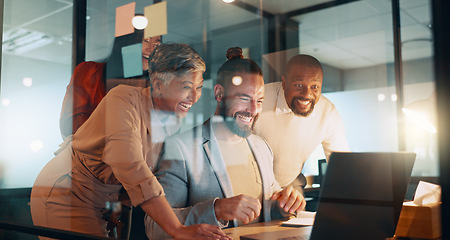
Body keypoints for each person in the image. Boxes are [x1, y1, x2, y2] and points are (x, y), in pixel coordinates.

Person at [30, 43, 229, 240]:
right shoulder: (122, 99)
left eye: (199, 87)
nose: (194, 97)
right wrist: (177, 228)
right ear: (158, 85)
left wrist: (120, 214)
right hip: (67, 192)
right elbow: (131, 167)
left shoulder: (171, 120)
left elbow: (136, 178)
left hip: (103, 202)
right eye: (186, 87)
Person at [145, 47, 306, 239]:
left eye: (260, 100)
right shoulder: (181, 148)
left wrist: (286, 204)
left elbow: (267, 210)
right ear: (219, 93)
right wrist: (216, 210)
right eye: (244, 98)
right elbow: (155, 228)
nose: (253, 109)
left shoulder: (262, 146)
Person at [253, 54, 350, 189]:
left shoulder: (328, 113)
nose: (306, 94)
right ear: (285, 83)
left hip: (288, 187)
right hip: (249, 184)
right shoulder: (258, 99)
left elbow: (342, 167)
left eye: (314, 87)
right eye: (299, 85)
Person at [59, 30, 161, 139]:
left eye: (157, 44)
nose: (151, 49)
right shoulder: (90, 72)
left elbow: (157, 135)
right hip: (94, 152)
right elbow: (71, 124)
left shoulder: (151, 87)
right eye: (146, 40)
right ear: (127, 41)